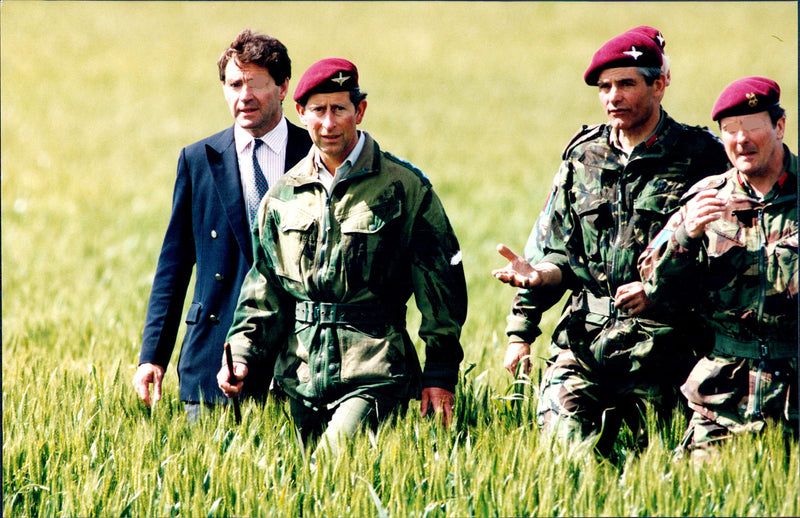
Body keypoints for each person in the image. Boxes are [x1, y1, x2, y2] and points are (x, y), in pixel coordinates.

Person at [492, 28, 729, 455]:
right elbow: (554, 249)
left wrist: (658, 288)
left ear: (660, 84)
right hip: (586, 345)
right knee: (565, 464)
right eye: (604, 87)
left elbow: (727, 258)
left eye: (626, 84)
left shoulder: (704, 158)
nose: (612, 97)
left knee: (659, 472)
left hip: (668, 351)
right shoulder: (582, 157)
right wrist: (524, 320)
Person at [217, 58, 467, 460]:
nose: (329, 123)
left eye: (339, 109)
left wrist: (440, 373)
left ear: (359, 111)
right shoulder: (282, 194)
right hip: (298, 376)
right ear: (301, 113)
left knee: (332, 465)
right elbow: (264, 288)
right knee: (298, 486)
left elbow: (441, 288)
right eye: (318, 110)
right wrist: (242, 352)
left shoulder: (404, 187)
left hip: (375, 369)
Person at [133, 29, 312, 421]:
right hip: (213, 354)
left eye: (255, 85)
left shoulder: (312, 154)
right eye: (233, 84)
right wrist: (153, 356)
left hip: (296, 358)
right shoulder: (199, 159)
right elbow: (175, 264)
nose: (243, 96)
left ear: (283, 87)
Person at [638, 76, 798, 463]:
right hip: (722, 396)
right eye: (729, 131)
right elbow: (652, 284)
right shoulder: (704, 199)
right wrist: (686, 236)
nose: (741, 140)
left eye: (752, 127)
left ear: (779, 126)